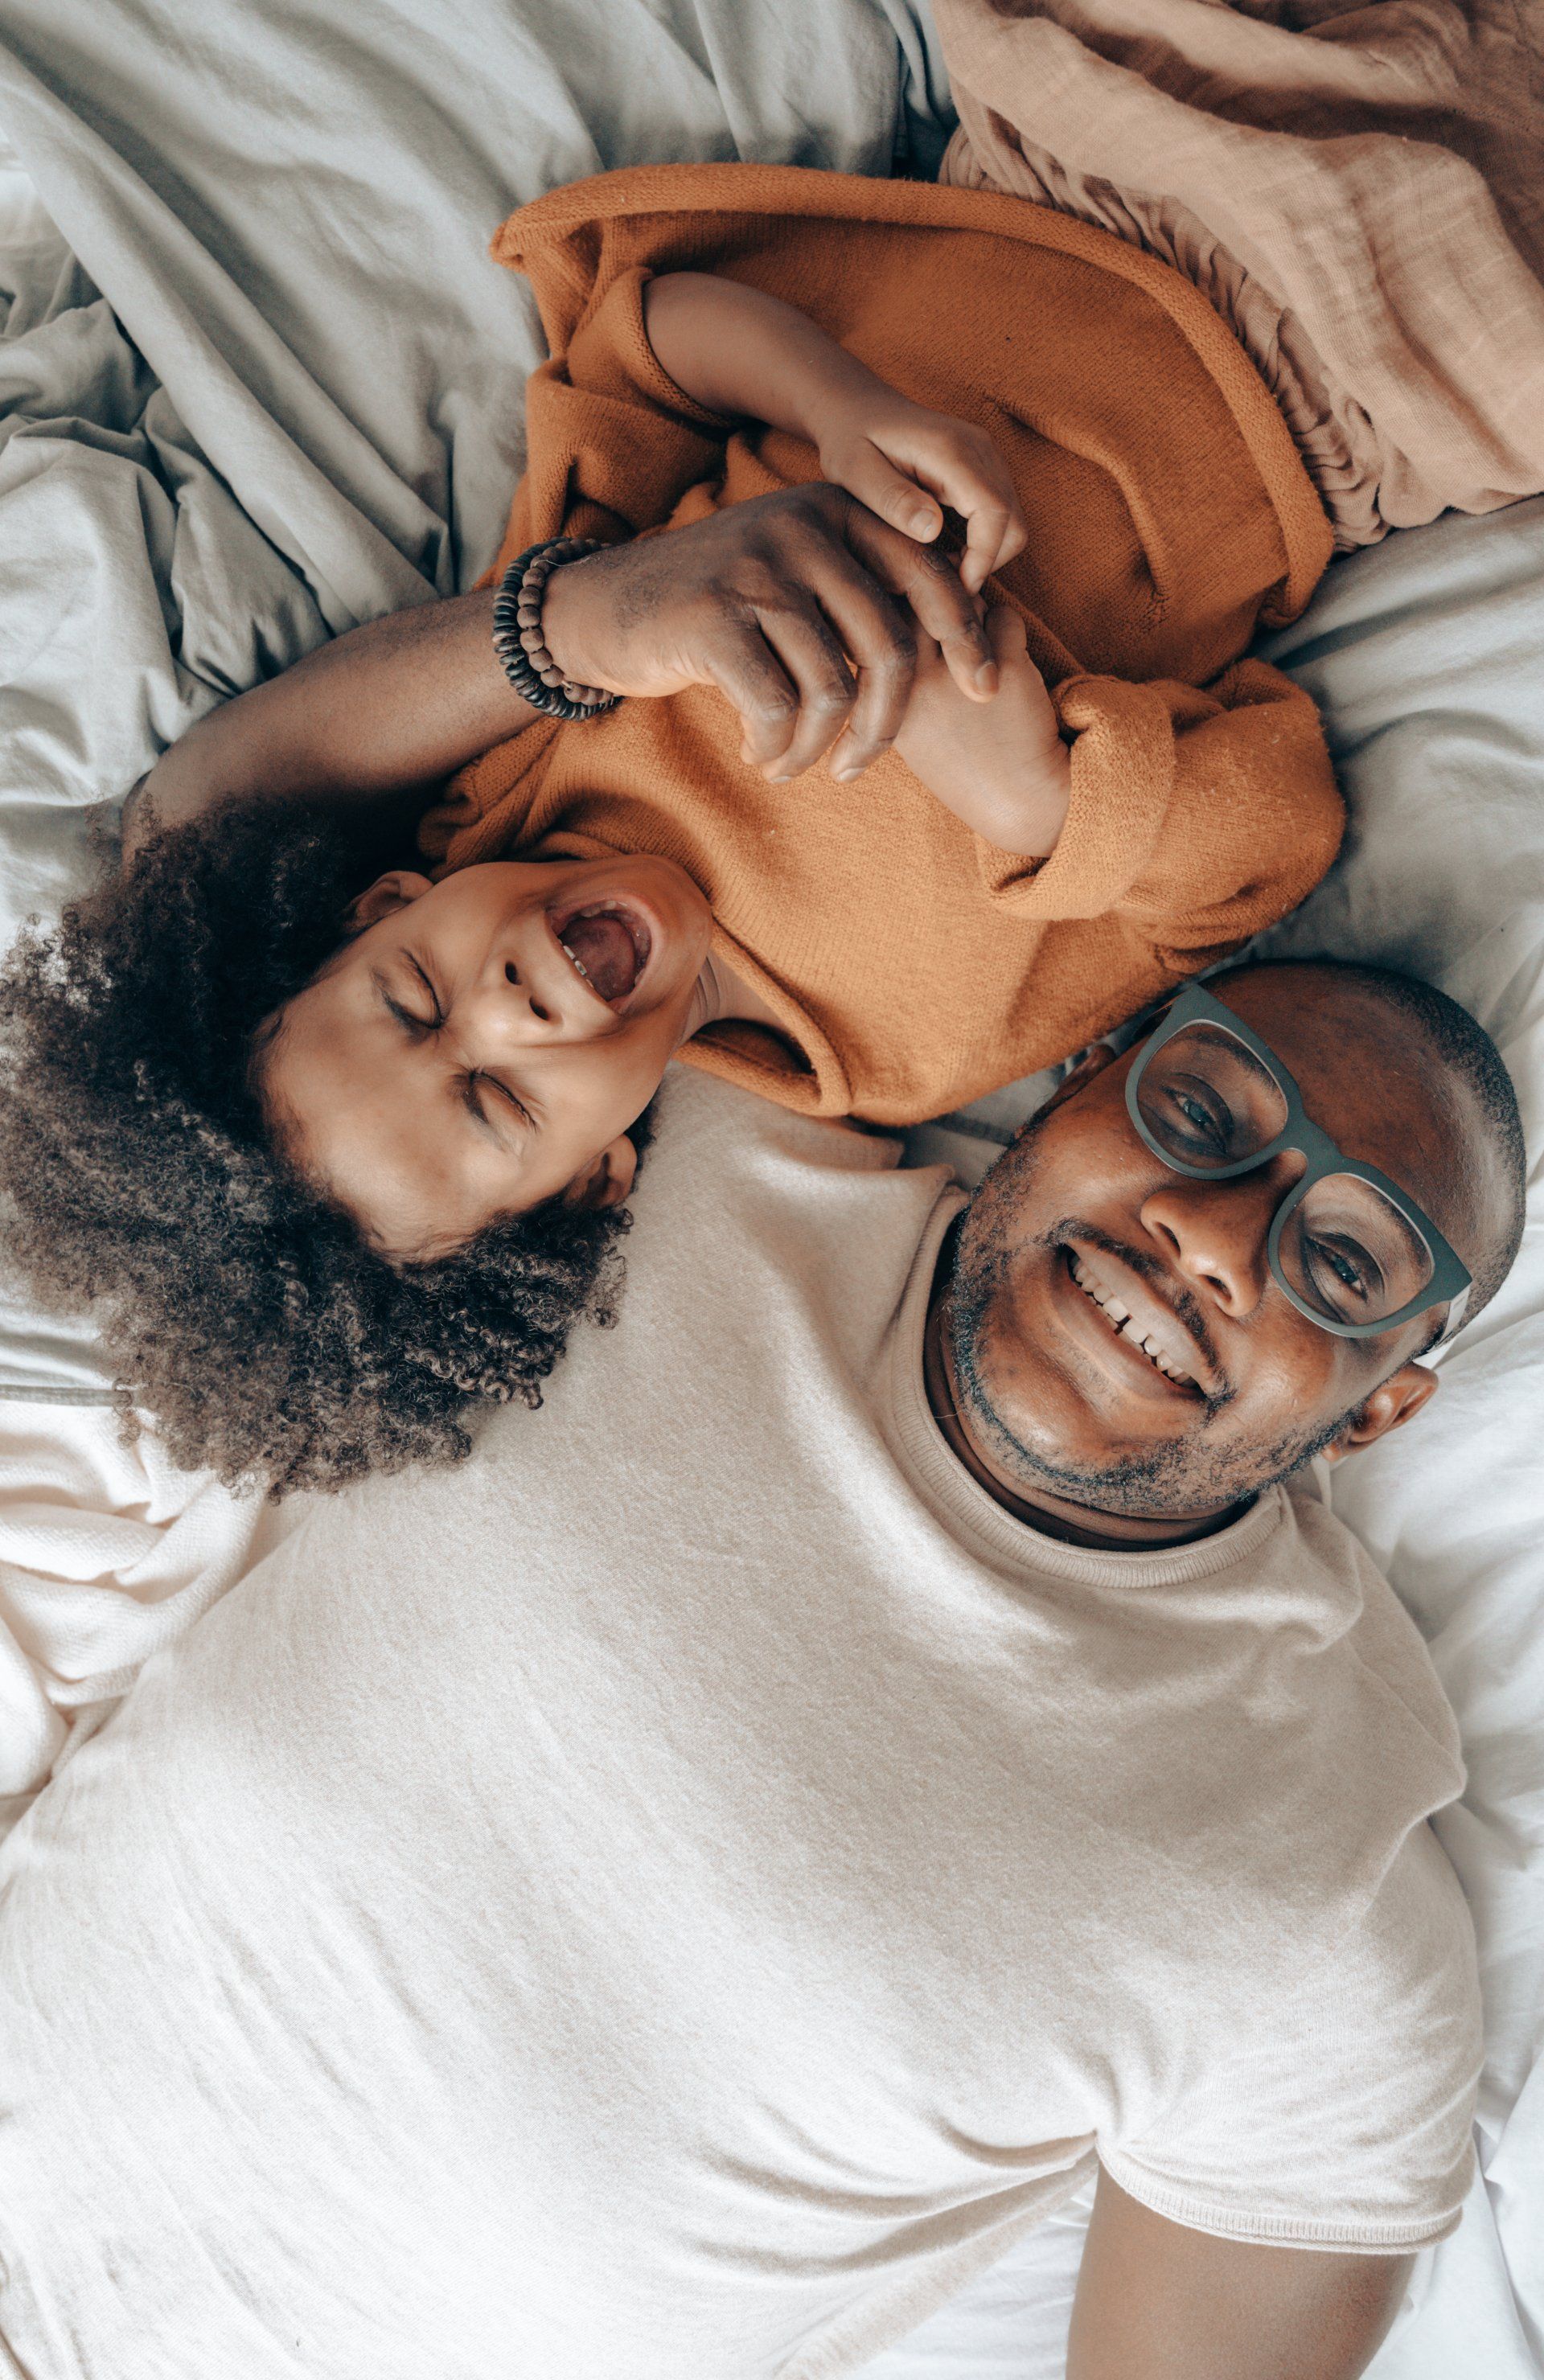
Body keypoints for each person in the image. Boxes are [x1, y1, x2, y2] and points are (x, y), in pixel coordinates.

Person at [0, 951, 1525, 2379]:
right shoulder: (689, 1143)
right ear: (1083, 1073)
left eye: (1343, 1261)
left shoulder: (1317, 1893)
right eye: (1200, 1114)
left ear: (1379, 1410)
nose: (1213, 1237)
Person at [0, 166, 1343, 1492]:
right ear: (594, 1182)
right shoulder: (898, 1050)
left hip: (1045, 191)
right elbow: (1257, 864)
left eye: (415, 998)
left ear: (387, 901)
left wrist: (837, 403)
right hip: (1324, 403)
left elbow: (642, 349)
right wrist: (1041, 801)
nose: (509, 1008)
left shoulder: (520, 760)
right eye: (497, 1100)